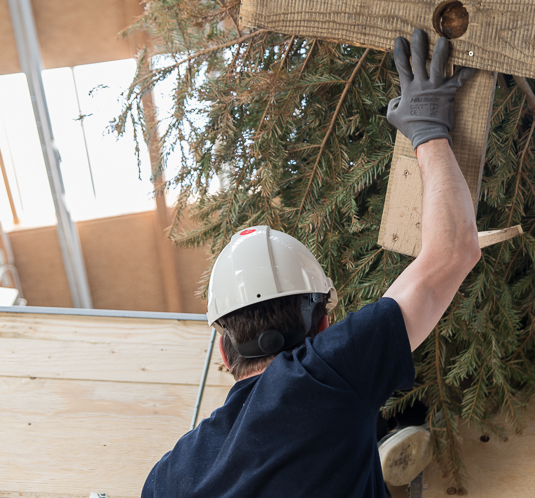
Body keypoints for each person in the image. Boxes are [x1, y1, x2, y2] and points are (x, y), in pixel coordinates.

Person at [141, 29, 480, 497]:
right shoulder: (324, 375)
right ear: (323, 327)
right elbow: (454, 252)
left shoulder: (166, 478)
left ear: (225, 352)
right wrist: (428, 129)